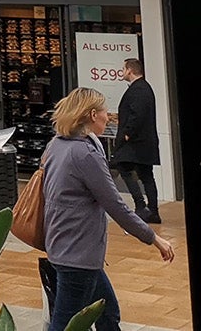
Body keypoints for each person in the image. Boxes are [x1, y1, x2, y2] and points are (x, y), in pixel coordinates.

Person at [42, 88, 175, 331]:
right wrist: (154, 238)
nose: (109, 117)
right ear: (93, 115)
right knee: (65, 324)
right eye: (105, 112)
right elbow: (115, 205)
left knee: (107, 313)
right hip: (77, 255)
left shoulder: (57, 145)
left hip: (63, 246)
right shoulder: (84, 153)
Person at [114, 57, 161, 224]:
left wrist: (127, 133)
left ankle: (142, 206)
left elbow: (137, 113)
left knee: (124, 167)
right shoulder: (143, 88)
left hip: (136, 142)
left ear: (129, 70)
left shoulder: (139, 89)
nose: (121, 72)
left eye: (123, 69)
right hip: (143, 142)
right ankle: (152, 210)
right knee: (146, 174)